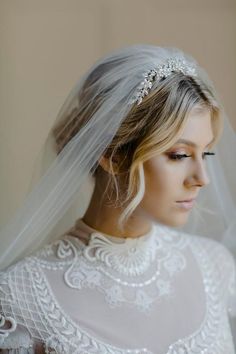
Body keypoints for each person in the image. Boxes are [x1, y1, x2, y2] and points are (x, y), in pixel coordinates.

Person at [0, 45, 235, 353]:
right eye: (179, 155)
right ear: (111, 155)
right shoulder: (21, 297)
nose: (202, 178)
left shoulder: (216, 268)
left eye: (206, 154)